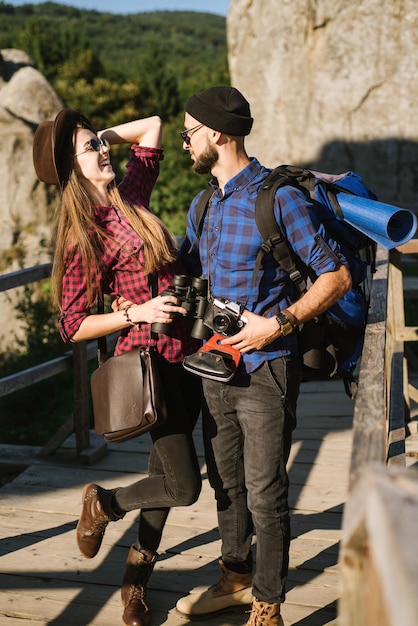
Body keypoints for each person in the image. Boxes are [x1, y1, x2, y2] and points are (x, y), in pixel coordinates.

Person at [175, 86, 352, 626]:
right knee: (225, 483)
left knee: (266, 491)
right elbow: (187, 272)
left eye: (190, 133)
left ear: (219, 135)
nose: (185, 143)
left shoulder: (279, 199)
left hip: (266, 370)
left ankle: (267, 605)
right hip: (213, 365)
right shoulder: (203, 202)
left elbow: (337, 275)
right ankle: (234, 577)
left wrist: (279, 324)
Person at [32, 108, 203, 626]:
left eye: (101, 144)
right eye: (91, 149)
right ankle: (103, 501)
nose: (105, 151)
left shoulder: (130, 198)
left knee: (164, 477)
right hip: (149, 364)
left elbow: (151, 126)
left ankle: (134, 583)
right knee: (183, 486)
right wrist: (136, 311)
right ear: (70, 170)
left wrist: (96, 140)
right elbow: (72, 325)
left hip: (190, 352)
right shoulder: (83, 233)